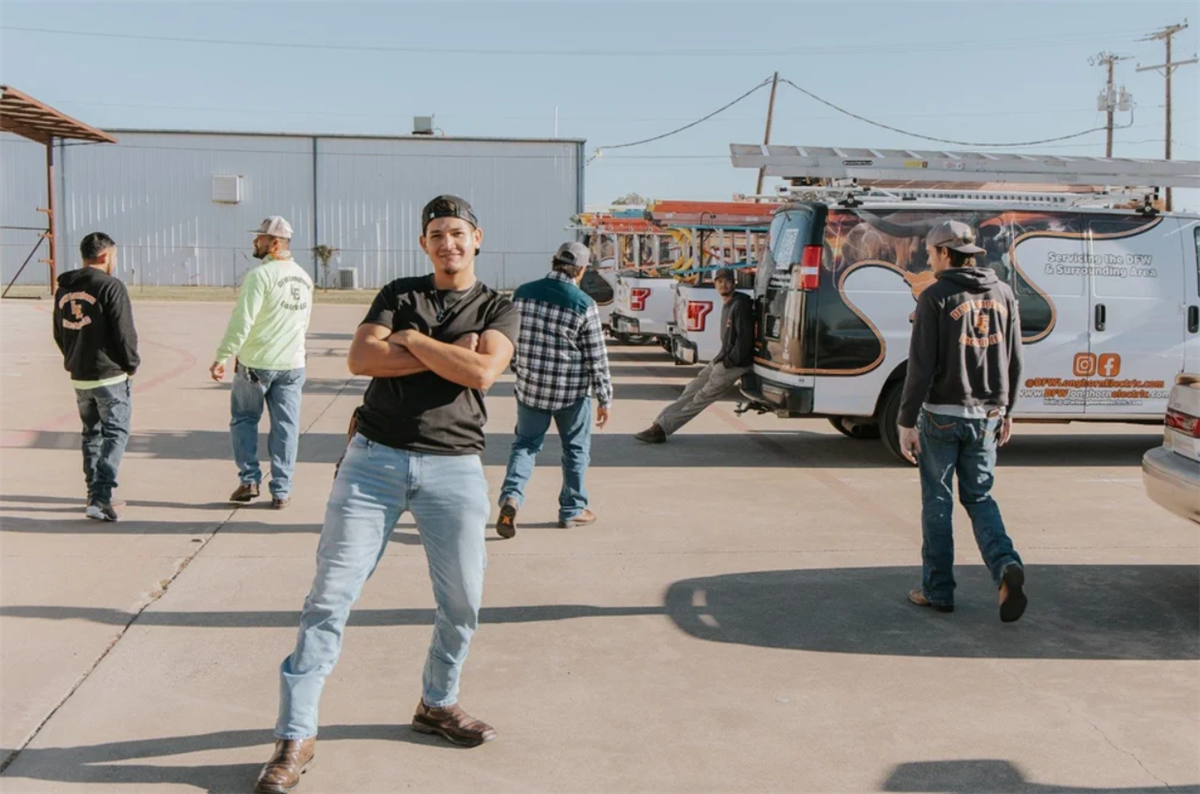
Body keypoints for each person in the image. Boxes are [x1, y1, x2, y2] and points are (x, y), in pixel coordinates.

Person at [254, 196, 518, 794]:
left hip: (455, 466)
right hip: (373, 463)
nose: (448, 243)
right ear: (424, 243)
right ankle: (295, 735)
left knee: (463, 601)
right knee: (329, 598)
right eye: (436, 234)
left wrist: (411, 342)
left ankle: (437, 703)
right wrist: (450, 351)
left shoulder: (498, 306)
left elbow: (482, 373)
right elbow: (360, 358)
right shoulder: (400, 292)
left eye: (457, 233)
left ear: (476, 238)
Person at [897, 219, 1027, 623]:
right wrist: (1008, 410)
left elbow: (920, 367)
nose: (929, 260)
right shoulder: (1004, 293)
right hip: (987, 416)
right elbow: (1016, 358)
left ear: (945, 253)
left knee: (938, 501)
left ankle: (938, 590)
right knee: (980, 497)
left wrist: (905, 421)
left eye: (930, 253)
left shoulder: (935, 296)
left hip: (942, 415)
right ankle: (1005, 565)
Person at [496, 241, 613, 538]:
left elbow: (509, 338)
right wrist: (604, 398)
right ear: (582, 270)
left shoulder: (522, 293)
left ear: (553, 261)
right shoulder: (584, 303)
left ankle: (511, 497)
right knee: (575, 450)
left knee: (525, 445)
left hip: (531, 389)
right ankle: (572, 510)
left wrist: (518, 369)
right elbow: (596, 357)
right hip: (571, 393)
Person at [210, 217, 313, 509]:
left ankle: (249, 479)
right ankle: (281, 490)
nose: (255, 242)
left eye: (260, 238)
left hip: (257, 364)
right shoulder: (304, 278)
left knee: (244, 419)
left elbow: (243, 320)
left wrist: (223, 355)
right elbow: (303, 323)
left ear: (275, 243)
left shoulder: (260, 276)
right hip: (292, 365)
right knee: (286, 426)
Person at [52, 232, 139, 522]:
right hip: (108, 376)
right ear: (105, 256)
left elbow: (59, 332)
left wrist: (73, 358)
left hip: (80, 375)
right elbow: (124, 331)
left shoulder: (64, 289)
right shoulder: (110, 286)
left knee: (92, 434)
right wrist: (131, 364)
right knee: (115, 433)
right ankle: (101, 497)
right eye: (114, 256)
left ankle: (94, 494)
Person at [634, 267, 752, 443]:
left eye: (727, 281)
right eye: (719, 281)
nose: (723, 285)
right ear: (715, 284)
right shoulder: (728, 303)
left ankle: (662, 429)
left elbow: (744, 342)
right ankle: (659, 423)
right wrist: (720, 360)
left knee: (700, 398)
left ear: (734, 283)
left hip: (734, 364)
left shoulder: (740, 305)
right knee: (691, 390)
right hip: (721, 360)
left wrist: (727, 363)